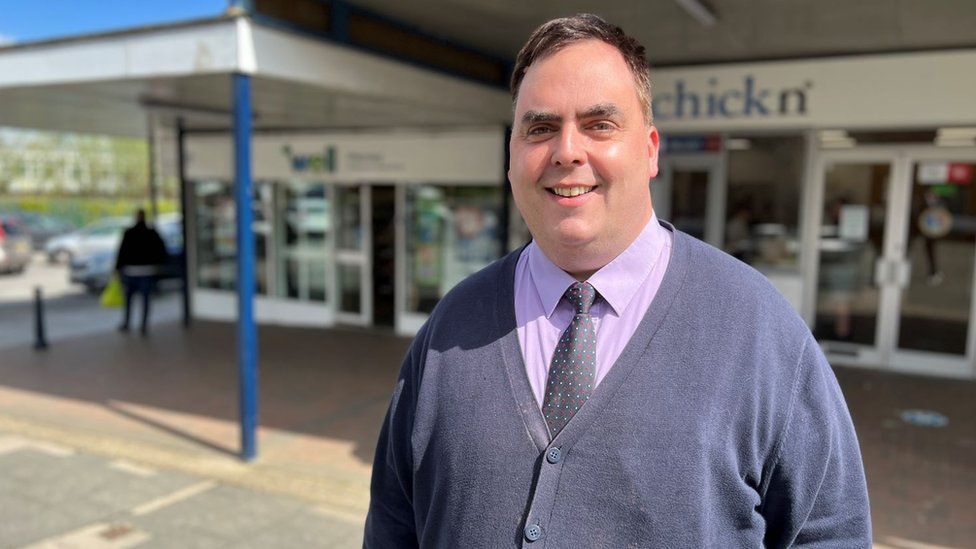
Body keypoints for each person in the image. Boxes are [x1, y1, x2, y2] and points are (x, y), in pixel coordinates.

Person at [365, 14, 870, 548]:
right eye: (539, 128)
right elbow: (393, 525)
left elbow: (829, 532)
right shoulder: (452, 325)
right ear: (511, 157)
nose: (566, 151)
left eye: (599, 124)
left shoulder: (758, 329)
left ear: (650, 150)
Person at [115, 208, 168, 335]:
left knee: (129, 300)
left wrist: (118, 268)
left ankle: (127, 323)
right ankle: (143, 326)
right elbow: (162, 251)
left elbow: (121, 252)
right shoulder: (152, 233)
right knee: (145, 300)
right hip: (147, 272)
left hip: (131, 272)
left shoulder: (129, 233)